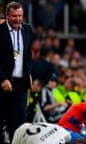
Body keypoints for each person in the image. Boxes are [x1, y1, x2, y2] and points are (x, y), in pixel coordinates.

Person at [0, 1, 33, 143]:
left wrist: (29, 72)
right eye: (14, 16)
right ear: (7, 15)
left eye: (20, 16)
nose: (18, 19)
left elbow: (28, 55)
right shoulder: (0, 31)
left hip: (20, 84)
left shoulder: (27, 30)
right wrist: (1, 79)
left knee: (20, 125)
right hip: (2, 84)